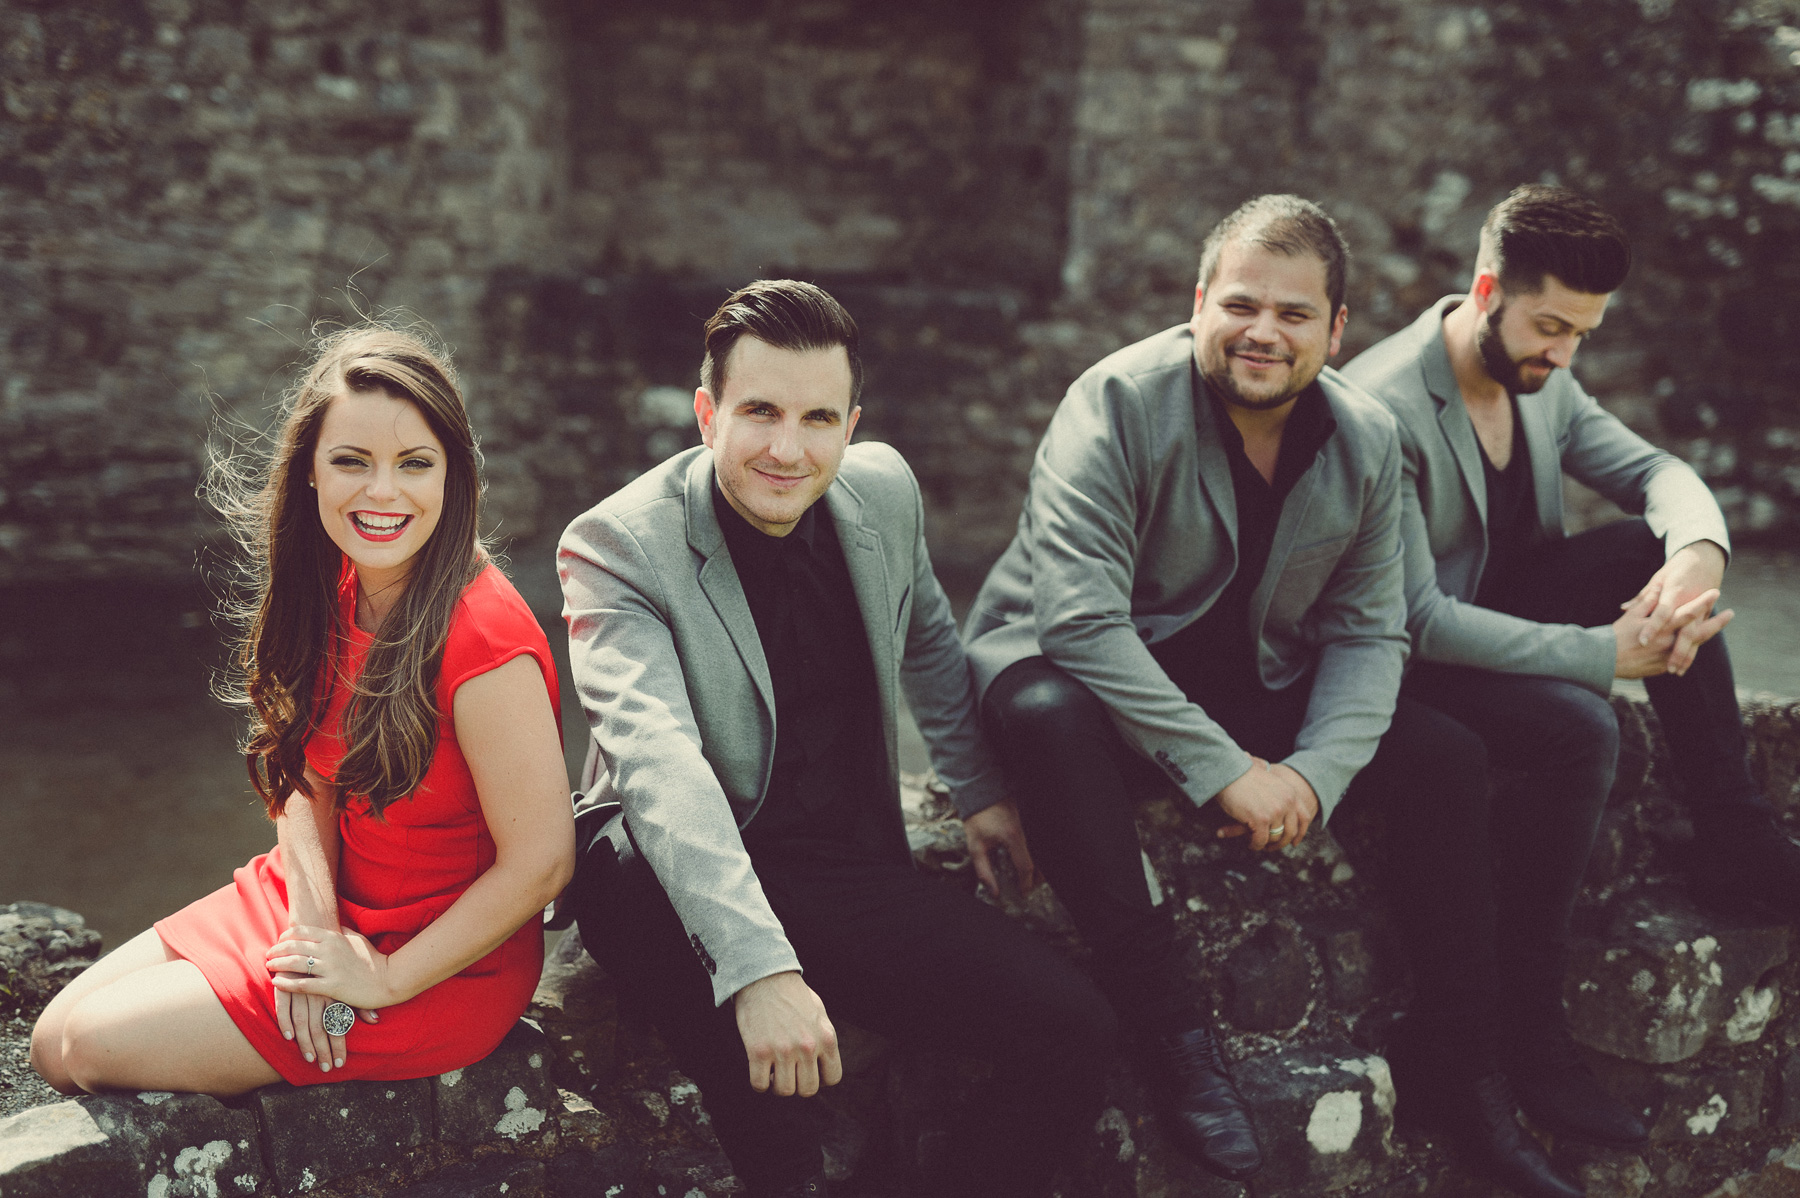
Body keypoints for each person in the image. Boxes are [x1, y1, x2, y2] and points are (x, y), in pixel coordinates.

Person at [556, 279, 1115, 1198]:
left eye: (819, 418)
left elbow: (931, 637)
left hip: (838, 864)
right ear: (707, 414)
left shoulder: (884, 493)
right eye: (760, 412)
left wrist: (975, 787)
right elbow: (658, 760)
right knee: (778, 1127)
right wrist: (759, 971)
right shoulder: (617, 545)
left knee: (1075, 1028)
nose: (789, 448)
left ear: (853, 424)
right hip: (678, 865)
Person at [1341, 183, 1796, 1197]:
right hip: (1414, 661)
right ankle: (1529, 1029)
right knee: (1582, 728)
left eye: (1583, 333)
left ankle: (1734, 833)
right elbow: (1417, 618)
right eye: (1550, 325)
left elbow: (1658, 472)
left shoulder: (1544, 376)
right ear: (1487, 288)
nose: (1564, 353)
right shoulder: (1381, 406)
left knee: (1649, 546)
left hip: (1504, 613)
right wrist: (1602, 654)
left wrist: (1700, 558)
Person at [963, 195, 1408, 1183]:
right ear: (1199, 301)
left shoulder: (1370, 438)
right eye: (1242, 303)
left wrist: (1314, 778)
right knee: (1049, 718)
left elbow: (1374, 630)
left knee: (1450, 752)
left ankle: (1471, 1052)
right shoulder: (1115, 401)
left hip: (1232, 682)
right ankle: (1175, 1037)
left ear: (1337, 331)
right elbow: (1077, 620)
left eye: (1296, 314)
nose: (1264, 331)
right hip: (1062, 664)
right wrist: (1222, 772)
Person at [30, 325, 574, 1096]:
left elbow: (542, 861)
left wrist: (377, 978)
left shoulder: (484, 641)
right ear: (311, 472)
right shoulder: (336, 585)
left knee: (90, 1045)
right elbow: (301, 776)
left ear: (454, 475)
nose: (381, 493)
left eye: (414, 464)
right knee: (50, 1040)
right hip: (317, 900)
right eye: (352, 461)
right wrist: (313, 928)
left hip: (432, 964)